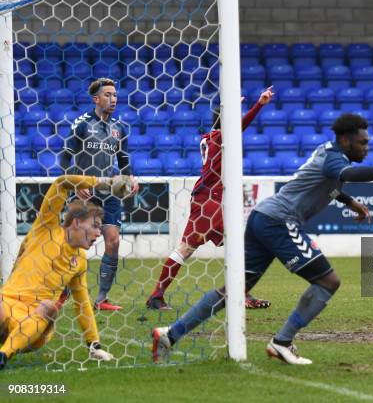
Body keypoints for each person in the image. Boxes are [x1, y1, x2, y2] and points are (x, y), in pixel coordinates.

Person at [152, 113, 373, 365]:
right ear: (345, 140)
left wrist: (350, 202)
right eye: (362, 142)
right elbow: (348, 175)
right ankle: (282, 342)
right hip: (278, 222)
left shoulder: (331, 155)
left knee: (232, 290)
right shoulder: (335, 159)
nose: (366, 148)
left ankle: (170, 335)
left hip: (264, 218)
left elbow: (326, 183)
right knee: (328, 281)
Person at [145, 87, 275, 310]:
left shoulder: (210, 138)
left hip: (207, 198)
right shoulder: (221, 137)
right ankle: (240, 294)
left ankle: (157, 295)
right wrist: (259, 106)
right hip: (210, 200)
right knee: (233, 246)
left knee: (196, 248)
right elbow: (241, 125)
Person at [0, 174, 131, 369]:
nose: (98, 233)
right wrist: (104, 183)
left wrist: (94, 344)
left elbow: (82, 303)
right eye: (95, 226)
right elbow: (61, 183)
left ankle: (3, 355)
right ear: (77, 222)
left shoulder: (79, 261)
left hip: (34, 320)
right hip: (7, 303)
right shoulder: (46, 228)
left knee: (49, 307)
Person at [60, 78, 139, 311]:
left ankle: (101, 299)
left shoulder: (119, 128)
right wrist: (75, 183)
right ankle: (61, 294)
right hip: (84, 190)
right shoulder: (82, 124)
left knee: (113, 241)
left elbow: (123, 160)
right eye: (107, 95)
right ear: (96, 99)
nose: (113, 99)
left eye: (115, 95)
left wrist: (129, 178)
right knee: (73, 244)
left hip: (108, 189)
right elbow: (65, 156)